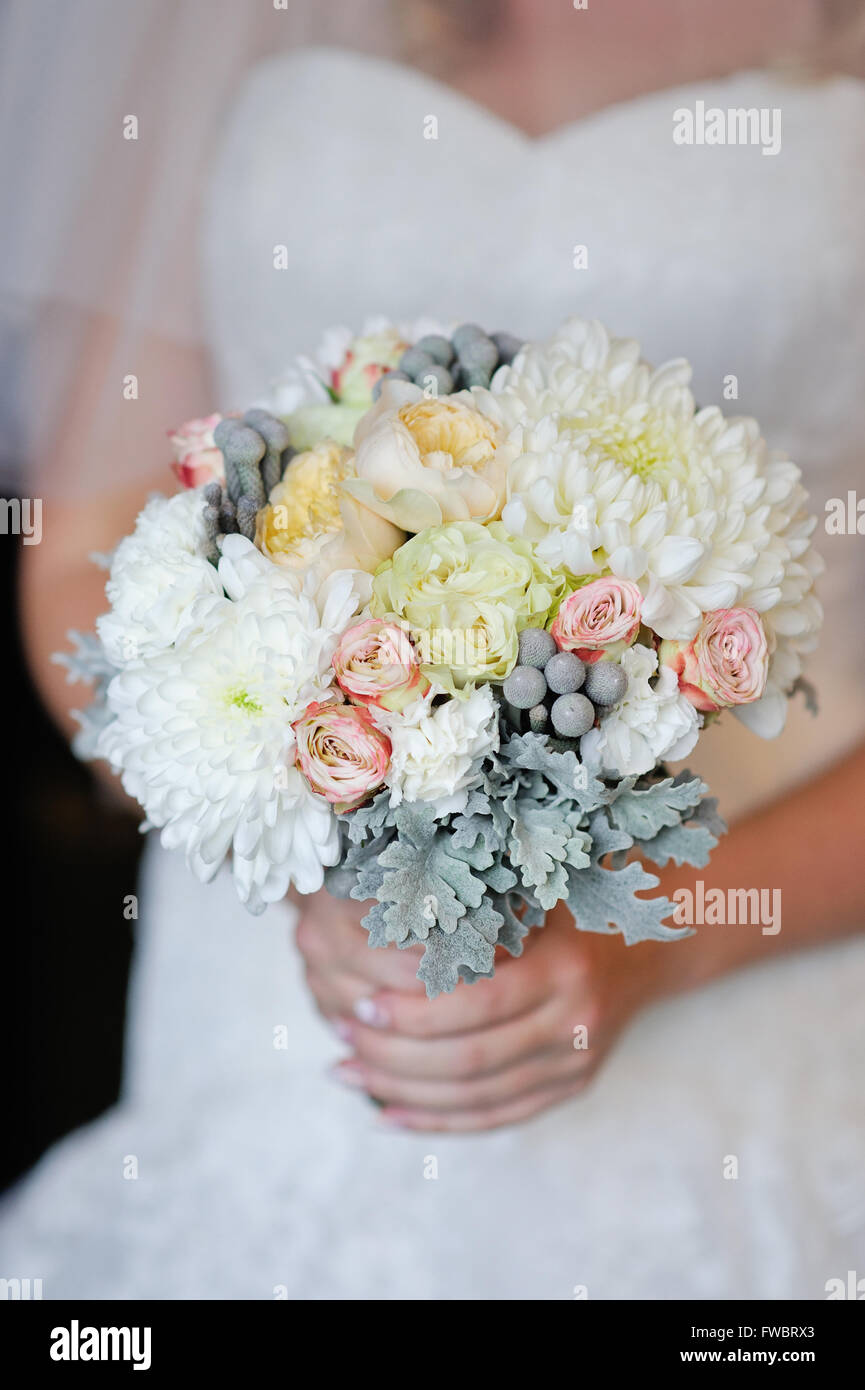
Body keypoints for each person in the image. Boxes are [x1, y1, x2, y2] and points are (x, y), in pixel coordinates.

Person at [3, 0, 865, 1298]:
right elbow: (83, 556)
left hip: (768, 961)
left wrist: (670, 934)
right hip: (285, 991)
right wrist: (291, 840)